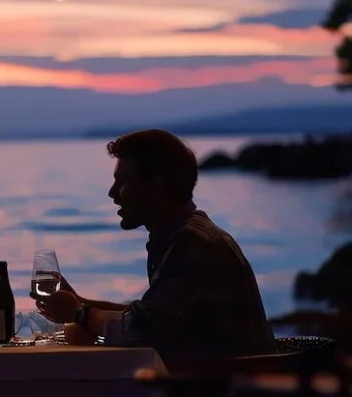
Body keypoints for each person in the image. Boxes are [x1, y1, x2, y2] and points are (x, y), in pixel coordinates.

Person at [34, 129, 276, 371]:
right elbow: (154, 316)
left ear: (156, 187)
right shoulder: (180, 235)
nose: (112, 193)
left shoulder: (192, 243)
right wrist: (80, 303)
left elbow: (142, 329)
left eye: (122, 181)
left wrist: (81, 314)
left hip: (229, 387)